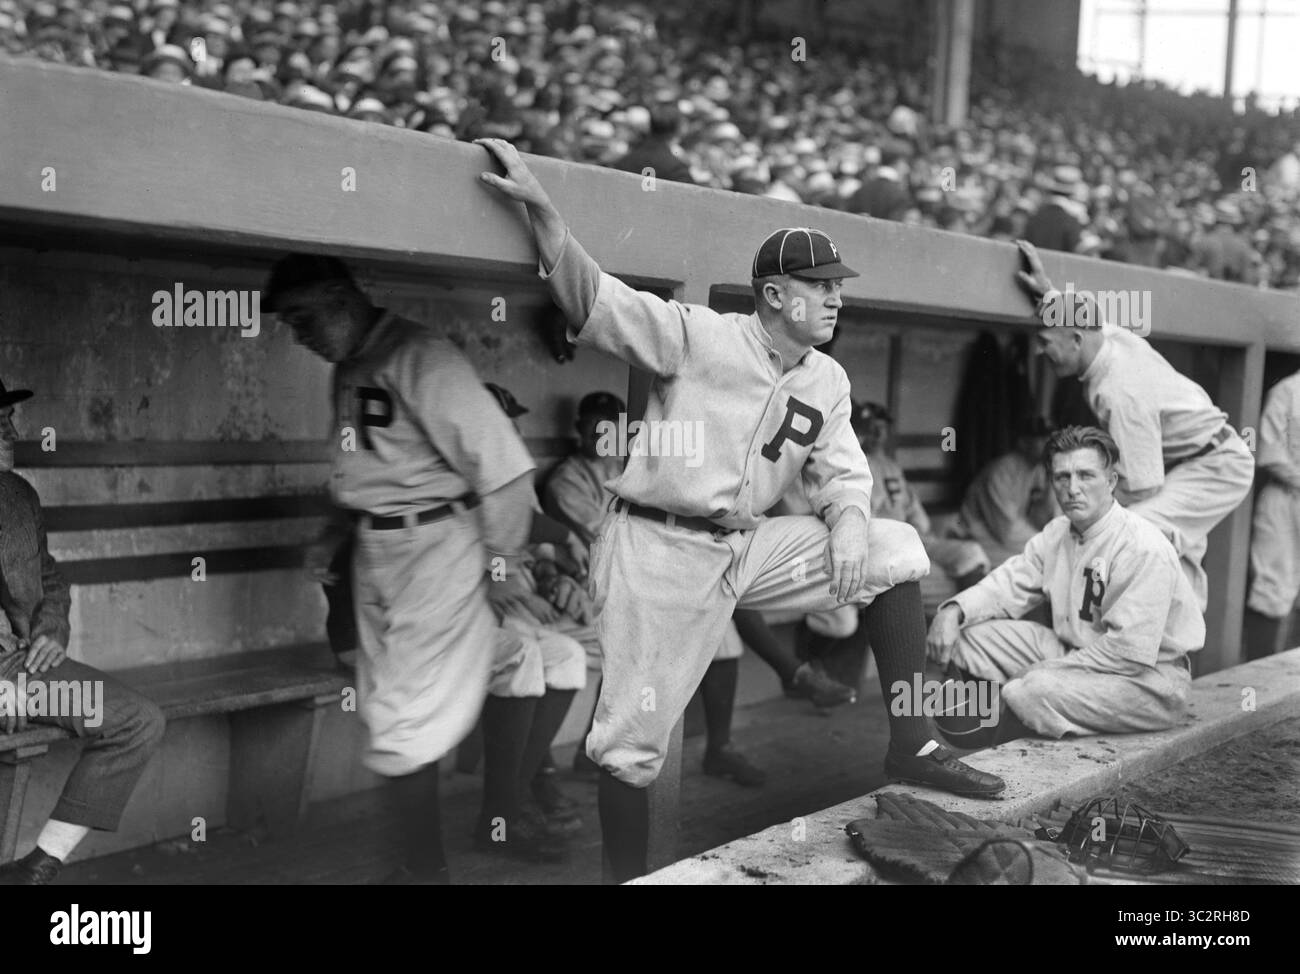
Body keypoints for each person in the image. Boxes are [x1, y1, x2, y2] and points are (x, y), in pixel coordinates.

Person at [477, 139, 1005, 881]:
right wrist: (541, 209)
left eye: (836, 286)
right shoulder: (698, 335)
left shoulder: (826, 379)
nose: (834, 298)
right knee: (630, 750)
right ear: (774, 295)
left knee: (894, 549)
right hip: (655, 550)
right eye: (818, 286)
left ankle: (911, 742)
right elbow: (598, 300)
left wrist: (849, 522)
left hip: (745, 546)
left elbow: (846, 475)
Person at [265, 253, 536, 884]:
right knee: (389, 706)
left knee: (401, 718)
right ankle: (430, 856)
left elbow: (508, 473)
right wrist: (333, 533)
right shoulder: (351, 366)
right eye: (289, 324)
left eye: (304, 318)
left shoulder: (423, 355)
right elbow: (365, 473)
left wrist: (501, 569)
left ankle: (424, 869)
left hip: (437, 547)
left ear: (340, 298)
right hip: (377, 553)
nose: (299, 336)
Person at [926, 426, 1204, 748]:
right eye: (1062, 477)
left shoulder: (1141, 545)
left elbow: (1127, 654)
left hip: (1148, 680)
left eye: (1086, 475)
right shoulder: (1058, 532)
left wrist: (1037, 671)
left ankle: (1010, 751)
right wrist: (953, 611)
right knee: (970, 639)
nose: (1073, 488)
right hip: (1078, 653)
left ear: (1111, 481)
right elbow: (1007, 584)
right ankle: (996, 731)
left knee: (1031, 690)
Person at [1016, 240, 1255, 610]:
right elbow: (1086, 319)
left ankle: (1099, 631)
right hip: (1193, 460)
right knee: (1172, 550)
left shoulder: (1119, 392)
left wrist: (1084, 507)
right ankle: (1177, 643)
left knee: (1123, 532)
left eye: (1045, 342)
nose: (1039, 351)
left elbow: (1142, 486)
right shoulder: (1108, 338)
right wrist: (1050, 294)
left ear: (1076, 341)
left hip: (1214, 467)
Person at [0, 379, 166, 885]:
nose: (11, 428)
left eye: (8, 417)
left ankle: (37, 867)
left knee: (136, 719)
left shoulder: (18, 494)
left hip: (23, 666)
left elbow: (48, 575)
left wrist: (51, 630)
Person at [854, 401, 990, 590]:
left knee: (971, 554)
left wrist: (919, 531)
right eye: (872, 428)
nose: (878, 434)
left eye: (883, 429)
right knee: (926, 574)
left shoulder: (891, 466)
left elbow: (913, 508)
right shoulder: (855, 464)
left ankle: (972, 614)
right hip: (885, 546)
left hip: (913, 538)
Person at [1244, 369, 1300, 659]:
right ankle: (1260, 674)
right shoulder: (1289, 390)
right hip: (1286, 495)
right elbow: (1269, 451)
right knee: (1272, 588)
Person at [955, 416, 1059, 567]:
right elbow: (1007, 530)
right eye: (1042, 439)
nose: (1049, 444)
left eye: (1051, 438)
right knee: (1039, 560)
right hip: (976, 536)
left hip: (1005, 537)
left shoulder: (1038, 470)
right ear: (1023, 442)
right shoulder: (1001, 471)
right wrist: (1046, 543)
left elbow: (1042, 518)